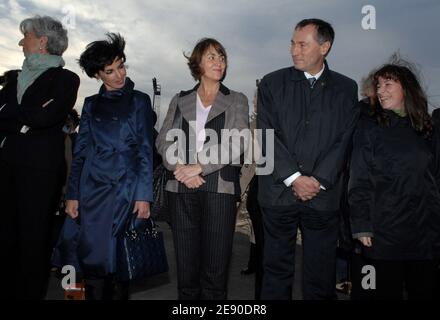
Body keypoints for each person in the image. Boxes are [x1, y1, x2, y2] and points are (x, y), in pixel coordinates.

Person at [257, 18, 359, 300]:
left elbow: (344, 141)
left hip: (322, 198)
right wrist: (294, 178)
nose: (294, 51)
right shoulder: (271, 83)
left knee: (320, 277)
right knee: (275, 274)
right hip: (278, 195)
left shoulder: (346, 89)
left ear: (325, 47)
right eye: (292, 43)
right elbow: (266, 135)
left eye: (302, 44)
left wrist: (318, 180)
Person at [52, 33, 154, 300]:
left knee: (120, 263)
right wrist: (72, 194)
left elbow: (145, 150)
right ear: (98, 75)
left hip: (125, 192)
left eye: (121, 66)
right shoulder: (90, 105)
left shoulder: (139, 101)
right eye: (110, 71)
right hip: (91, 191)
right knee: (92, 264)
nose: (119, 75)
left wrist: (144, 195)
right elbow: (81, 151)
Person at [156, 38, 249, 300]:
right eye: (211, 57)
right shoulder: (179, 99)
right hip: (181, 187)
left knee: (215, 272)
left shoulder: (237, 100)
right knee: (186, 271)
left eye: (222, 57)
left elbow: (239, 139)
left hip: (219, 188)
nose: (219, 62)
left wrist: (199, 167)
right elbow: (163, 140)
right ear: (197, 63)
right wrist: (181, 168)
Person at [0, 15, 80, 299]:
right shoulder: (14, 78)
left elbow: (48, 116)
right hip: (6, 167)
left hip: (40, 172)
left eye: (27, 36)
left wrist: (14, 117)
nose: (22, 41)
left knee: (34, 243)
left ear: (43, 41)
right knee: (5, 239)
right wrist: (25, 120)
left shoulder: (66, 79)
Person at [349, 63, 440, 299]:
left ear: (407, 89)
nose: (381, 91)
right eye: (378, 85)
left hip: (425, 235)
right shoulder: (369, 128)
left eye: (388, 84)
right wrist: (361, 225)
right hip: (385, 234)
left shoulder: (428, 129)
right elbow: (359, 180)